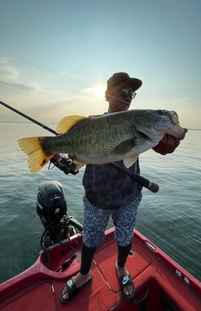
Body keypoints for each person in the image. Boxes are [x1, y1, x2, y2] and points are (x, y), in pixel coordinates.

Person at [60, 72, 187, 303]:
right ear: (108, 94)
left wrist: (166, 143)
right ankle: (84, 274)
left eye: (133, 93)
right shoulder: (91, 121)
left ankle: (120, 268)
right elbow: (77, 152)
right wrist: (74, 153)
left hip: (129, 195)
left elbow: (159, 146)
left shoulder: (143, 129)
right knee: (89, 239)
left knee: (125, 237)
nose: (129, 97)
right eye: (124, 91)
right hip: (96, 195)